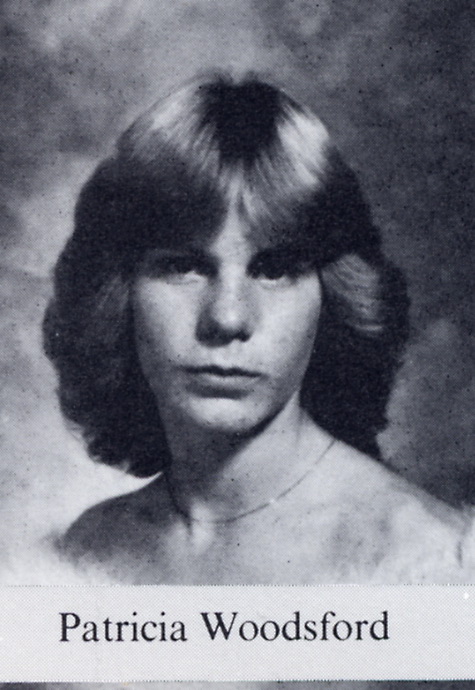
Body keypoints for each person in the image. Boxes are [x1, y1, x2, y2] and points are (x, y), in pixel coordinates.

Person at [44, 74, 473, 584]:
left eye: (274, 270)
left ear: (334, 299)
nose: (228, 318)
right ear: (119, 293)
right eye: (184, 266)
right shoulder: (88, 551)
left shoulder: (425, 563)